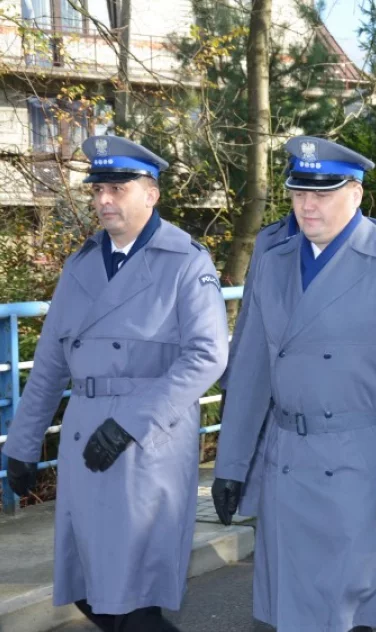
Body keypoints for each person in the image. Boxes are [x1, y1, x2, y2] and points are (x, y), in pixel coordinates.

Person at [211, 136, 376, 632]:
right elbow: (250, 371)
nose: (308, 205)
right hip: (285, 462)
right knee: (287, 609)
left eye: (322, 193)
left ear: (355, 194)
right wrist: (231, 466)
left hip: (357, 464)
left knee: (349, 604)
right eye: (299, 192)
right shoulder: (273, 260)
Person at [1, 136, 228, 631]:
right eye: (97, 189)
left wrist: (130, 422)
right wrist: (22, 444)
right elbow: (50, 362)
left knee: (130, 594)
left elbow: (208, 354)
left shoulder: (185, 260)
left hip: (147, 442)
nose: (104, 200)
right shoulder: (81, 264)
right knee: (90, 589)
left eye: (117, 189)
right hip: (85, 438)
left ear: (151, 194)